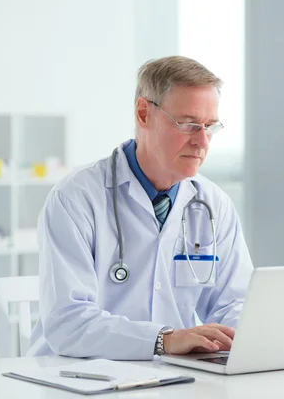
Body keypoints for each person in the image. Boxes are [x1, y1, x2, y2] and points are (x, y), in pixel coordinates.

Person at [28, 56, 253, 360]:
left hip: (171, 377)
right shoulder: (76, 198)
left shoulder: (214, 204)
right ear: (144, 113)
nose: (202, 142)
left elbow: (234, 303)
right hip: (76, 377)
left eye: (210, 127)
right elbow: (69, 322)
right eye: (189, 125)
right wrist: (164, 340)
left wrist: (247, 338)